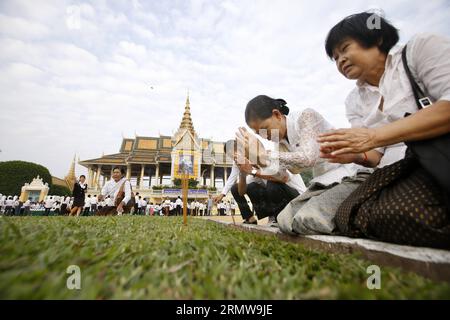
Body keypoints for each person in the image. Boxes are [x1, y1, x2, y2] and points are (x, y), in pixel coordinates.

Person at [317, 12, 450, 248]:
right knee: (347, 214)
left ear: (376, 38)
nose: (341, 61)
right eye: (335, 58)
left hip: (438, 156)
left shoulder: (418, 50)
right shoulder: (354, 101)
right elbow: (375, 157)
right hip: (399, 170)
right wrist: (355, 153)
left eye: (345, 48)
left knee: (400, 213)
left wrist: (374, 136)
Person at [238, 95, 372, 234]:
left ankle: (353, 218)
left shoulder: (305, 116)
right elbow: (283, 175)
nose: (264, 136)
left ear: (277, 115)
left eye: (265, 129)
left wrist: (265, 155)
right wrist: (260, 162)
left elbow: (308, 158)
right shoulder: (279, 143)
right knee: (284, 220)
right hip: (323, 184)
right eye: (259, 134)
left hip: (349, 176)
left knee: (306, 220)